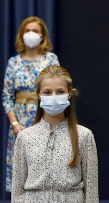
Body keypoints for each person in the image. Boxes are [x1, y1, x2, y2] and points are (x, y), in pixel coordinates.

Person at [0, 66, 105, 203]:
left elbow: (91, 193)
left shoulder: (84, 136)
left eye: (59, 91)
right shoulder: (25, 137)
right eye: (47, 92)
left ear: (69, 94)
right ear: (38, 95)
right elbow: (18, 192)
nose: (53, 97)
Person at [2, 16, 60, 192]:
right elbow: (6, 96)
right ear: (21, 35)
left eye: (35, 31)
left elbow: (59, 89)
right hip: (20, 125)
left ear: (42, 36)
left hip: (47, 120)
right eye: (27, 31)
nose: (31, 34)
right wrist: (14, 123)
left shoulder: (50, 60)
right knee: (22, 168)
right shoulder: (14, 63)